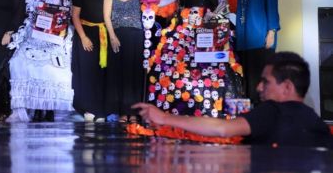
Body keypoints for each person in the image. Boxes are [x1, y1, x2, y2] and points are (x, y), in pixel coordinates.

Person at [133, 52, 333, 148]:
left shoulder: (273, 111)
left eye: (266, 82)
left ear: (287, 87)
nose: (258, 87)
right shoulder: (315, 121)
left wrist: (164, 118)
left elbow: (222, 129)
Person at [235, 0, 280, 105]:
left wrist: (272, 31)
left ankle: (264, 117)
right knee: (248, 80)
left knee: (262, 81)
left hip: (261, 39)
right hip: (244, 40)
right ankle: (251, 119)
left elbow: (272, 7)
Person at [103, 0, 144, 122]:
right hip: (118, 36)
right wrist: (112, 37)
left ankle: (133, 112)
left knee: (134, 75)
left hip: (136, 36)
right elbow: (106, 16)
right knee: (118, 74)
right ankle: (121, 111)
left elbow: (150, 9)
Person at [72, 0, 109, 121]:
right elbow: (75, 16)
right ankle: (87, 108)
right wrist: (83, 38)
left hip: (105, 34)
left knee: (103, 72)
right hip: (85, 33)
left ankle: (101, 109)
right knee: (87, 72)